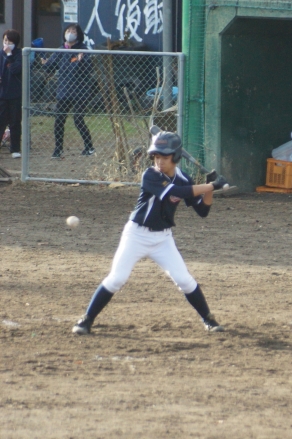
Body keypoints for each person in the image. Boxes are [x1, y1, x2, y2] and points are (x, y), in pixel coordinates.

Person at [71, 126, 228, 335]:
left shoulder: (184, 179)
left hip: (163, 239)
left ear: (176, 157)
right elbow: (175, 192)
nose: (159, 161)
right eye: (156, 157)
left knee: (184, 280)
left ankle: (208, 319)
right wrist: (211, 186)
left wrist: (209, 188)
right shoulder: (150, 175)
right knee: (117, 278)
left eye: (165, 157)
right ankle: (86, 319)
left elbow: (203, 211)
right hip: (136, 235)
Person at [42, 24, 94, 159]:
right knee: (59, 120)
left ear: (78, 34)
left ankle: (89, 147)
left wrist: (81, 61)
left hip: (80, 91)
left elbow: (88, 68)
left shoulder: (83, 50)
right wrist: (45, 63)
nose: (70, 33)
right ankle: (58, 149)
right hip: (64, 91)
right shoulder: (61, 50)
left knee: (78, 119)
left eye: (73, 31)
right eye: (68, 30)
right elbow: (50, 67)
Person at [0, 29, 22, 159]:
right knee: (1, 121)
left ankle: (15, 149)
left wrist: (9, 55)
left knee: (15, 122)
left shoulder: (19, 54)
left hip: (15, 94)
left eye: (10, 42)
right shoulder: (0, 54)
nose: (7, 44)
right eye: (5, 41)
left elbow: (15, 69)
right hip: (2, 94)